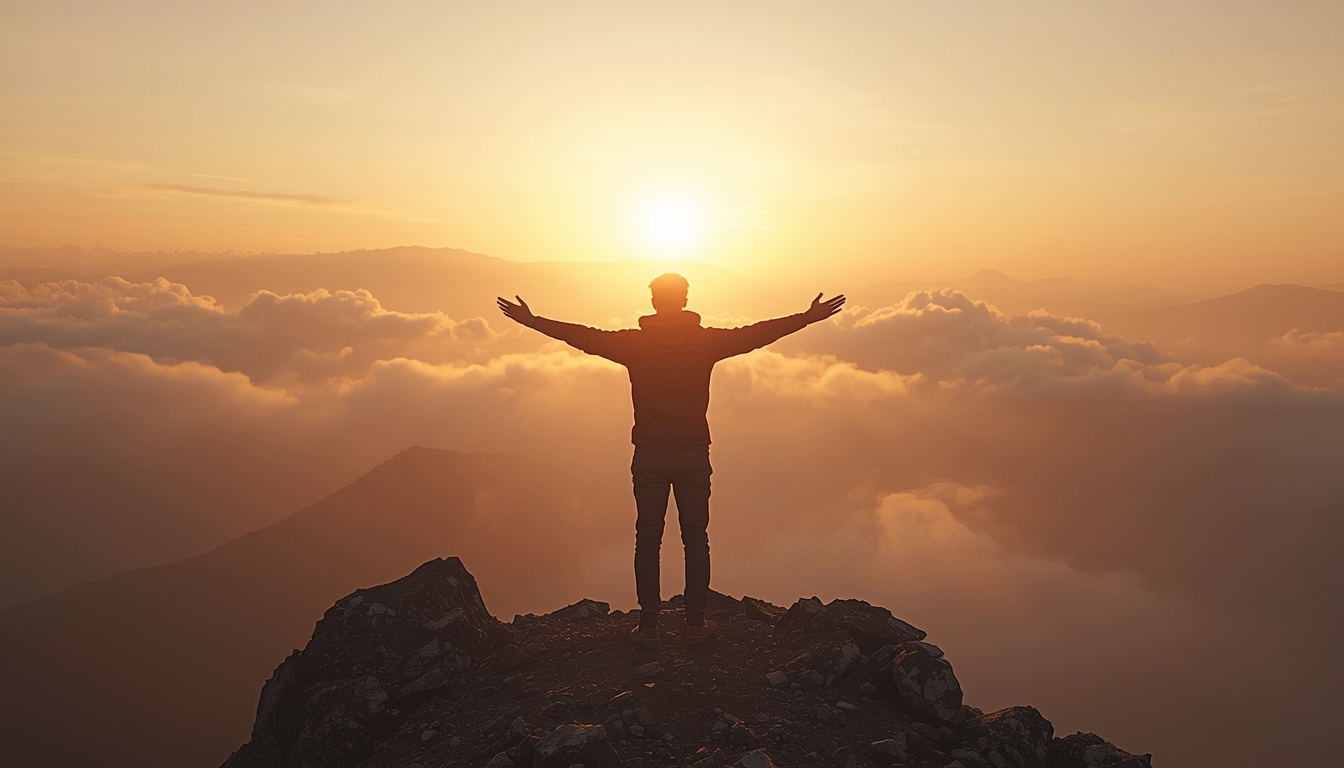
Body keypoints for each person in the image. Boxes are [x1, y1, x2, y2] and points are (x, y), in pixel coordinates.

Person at [498, 273, 844, 647]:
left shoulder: (633, 345)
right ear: (684, 300)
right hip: (694, 453)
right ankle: (696, 624)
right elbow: (757, 334)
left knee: (648, 538)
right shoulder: (706, 341)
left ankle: (649, 626)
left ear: (653, 303)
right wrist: (805, 318)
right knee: (696, 538)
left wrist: (533, 322)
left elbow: (583, 336)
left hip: (648, 454)